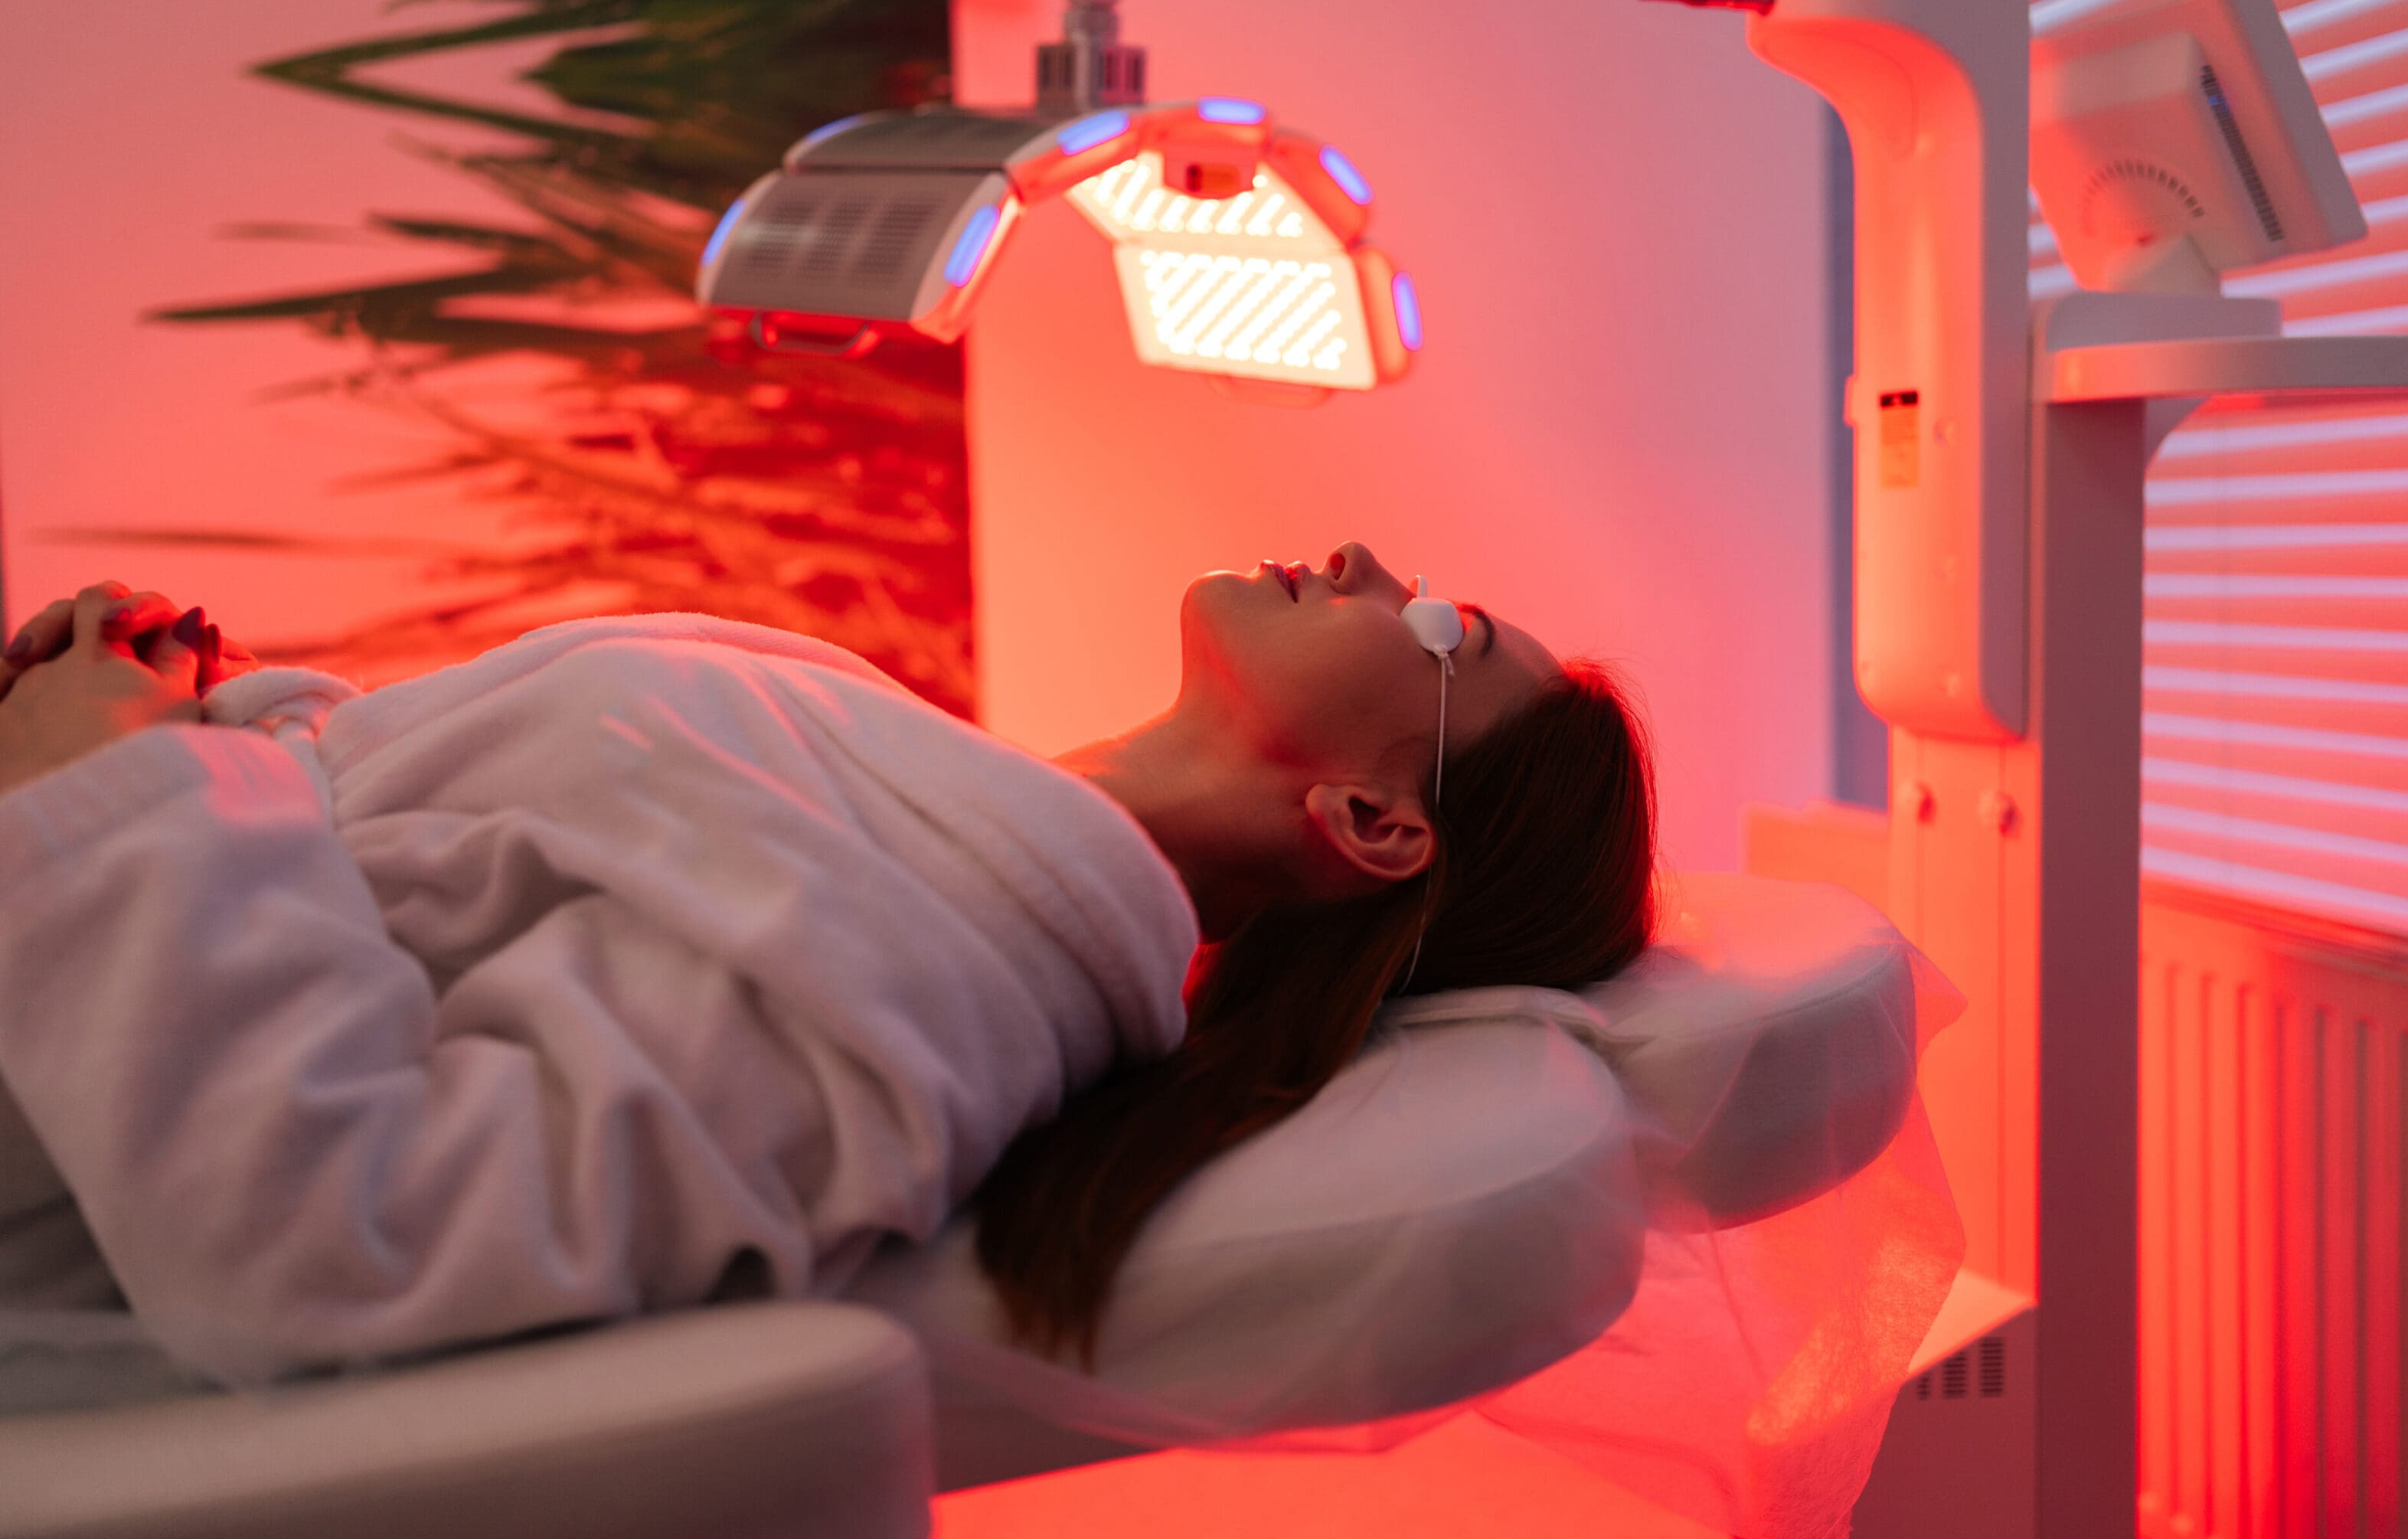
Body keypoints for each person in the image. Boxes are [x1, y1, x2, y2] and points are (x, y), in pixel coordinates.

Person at [0, 543, 1655, 1378]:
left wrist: (112, 793)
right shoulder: (931, 812)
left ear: (1373, 823)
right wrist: (224, 719)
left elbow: (342, 1231)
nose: (1371, 560)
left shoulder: (939, 974)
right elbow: (457, 885)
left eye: (1442, 631)